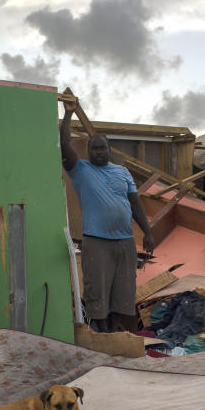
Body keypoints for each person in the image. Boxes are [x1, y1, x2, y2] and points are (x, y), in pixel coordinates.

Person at [60, 99, 155, 333]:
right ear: (88, 151)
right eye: (94, 148)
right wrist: (68, 115)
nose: (99, 152)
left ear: (109, 150)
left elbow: (135, 203)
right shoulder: (80, 169)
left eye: (103, 148)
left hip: (125, 242)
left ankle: (117, 337)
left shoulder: (122, 172)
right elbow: (64, 143)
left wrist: (148, 233)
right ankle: (101, 337)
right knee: (97, 294)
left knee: (123, 294)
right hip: (97, 241)